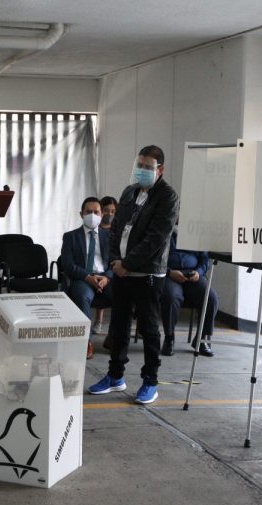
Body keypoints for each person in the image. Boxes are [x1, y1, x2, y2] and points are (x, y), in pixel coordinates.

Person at [88, 145, 179, 404]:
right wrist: (116, 260)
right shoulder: (130, 191)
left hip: (148, 274)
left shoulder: (168, 197)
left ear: (160, 170)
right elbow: (116, 228)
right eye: (139, 165)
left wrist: (128, 263)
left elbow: (156, 239)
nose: (141, 171)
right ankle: (115, 376)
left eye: (147, 167)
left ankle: (150, 381)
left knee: (149, 328)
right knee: (118, 325)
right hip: (122, 271)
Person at [60, 197, 113, 360]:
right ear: (81, 214)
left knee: (122, 295)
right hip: (82, 279)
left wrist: (107, 278)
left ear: (101, 214)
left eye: (96, 212)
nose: (92, 215)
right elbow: (67, 264)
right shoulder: (70, 236)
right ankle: (86, 342)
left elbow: (115, 262)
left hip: (105, 278)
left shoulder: (109, 237)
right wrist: (88, 277)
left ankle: (114, 339)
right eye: (88, 212)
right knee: (83, 297)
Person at [160, 230, 218, 357]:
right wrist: (170, 272)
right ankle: (169, 338)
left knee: (211, 298)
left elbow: (204, 260)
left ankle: (201, 340)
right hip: (171, 275)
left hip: (193, 276)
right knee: (170, 297)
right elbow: (156, 259)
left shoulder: (196, 233)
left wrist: (198, 272)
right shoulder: (164, 230)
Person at [93, 195, 118, 335]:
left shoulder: (117, 231)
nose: (110, 214)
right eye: (107, 210)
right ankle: (98, 320)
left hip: (111, 271)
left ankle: (113, 334)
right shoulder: (94, 228)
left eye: (113, 211)